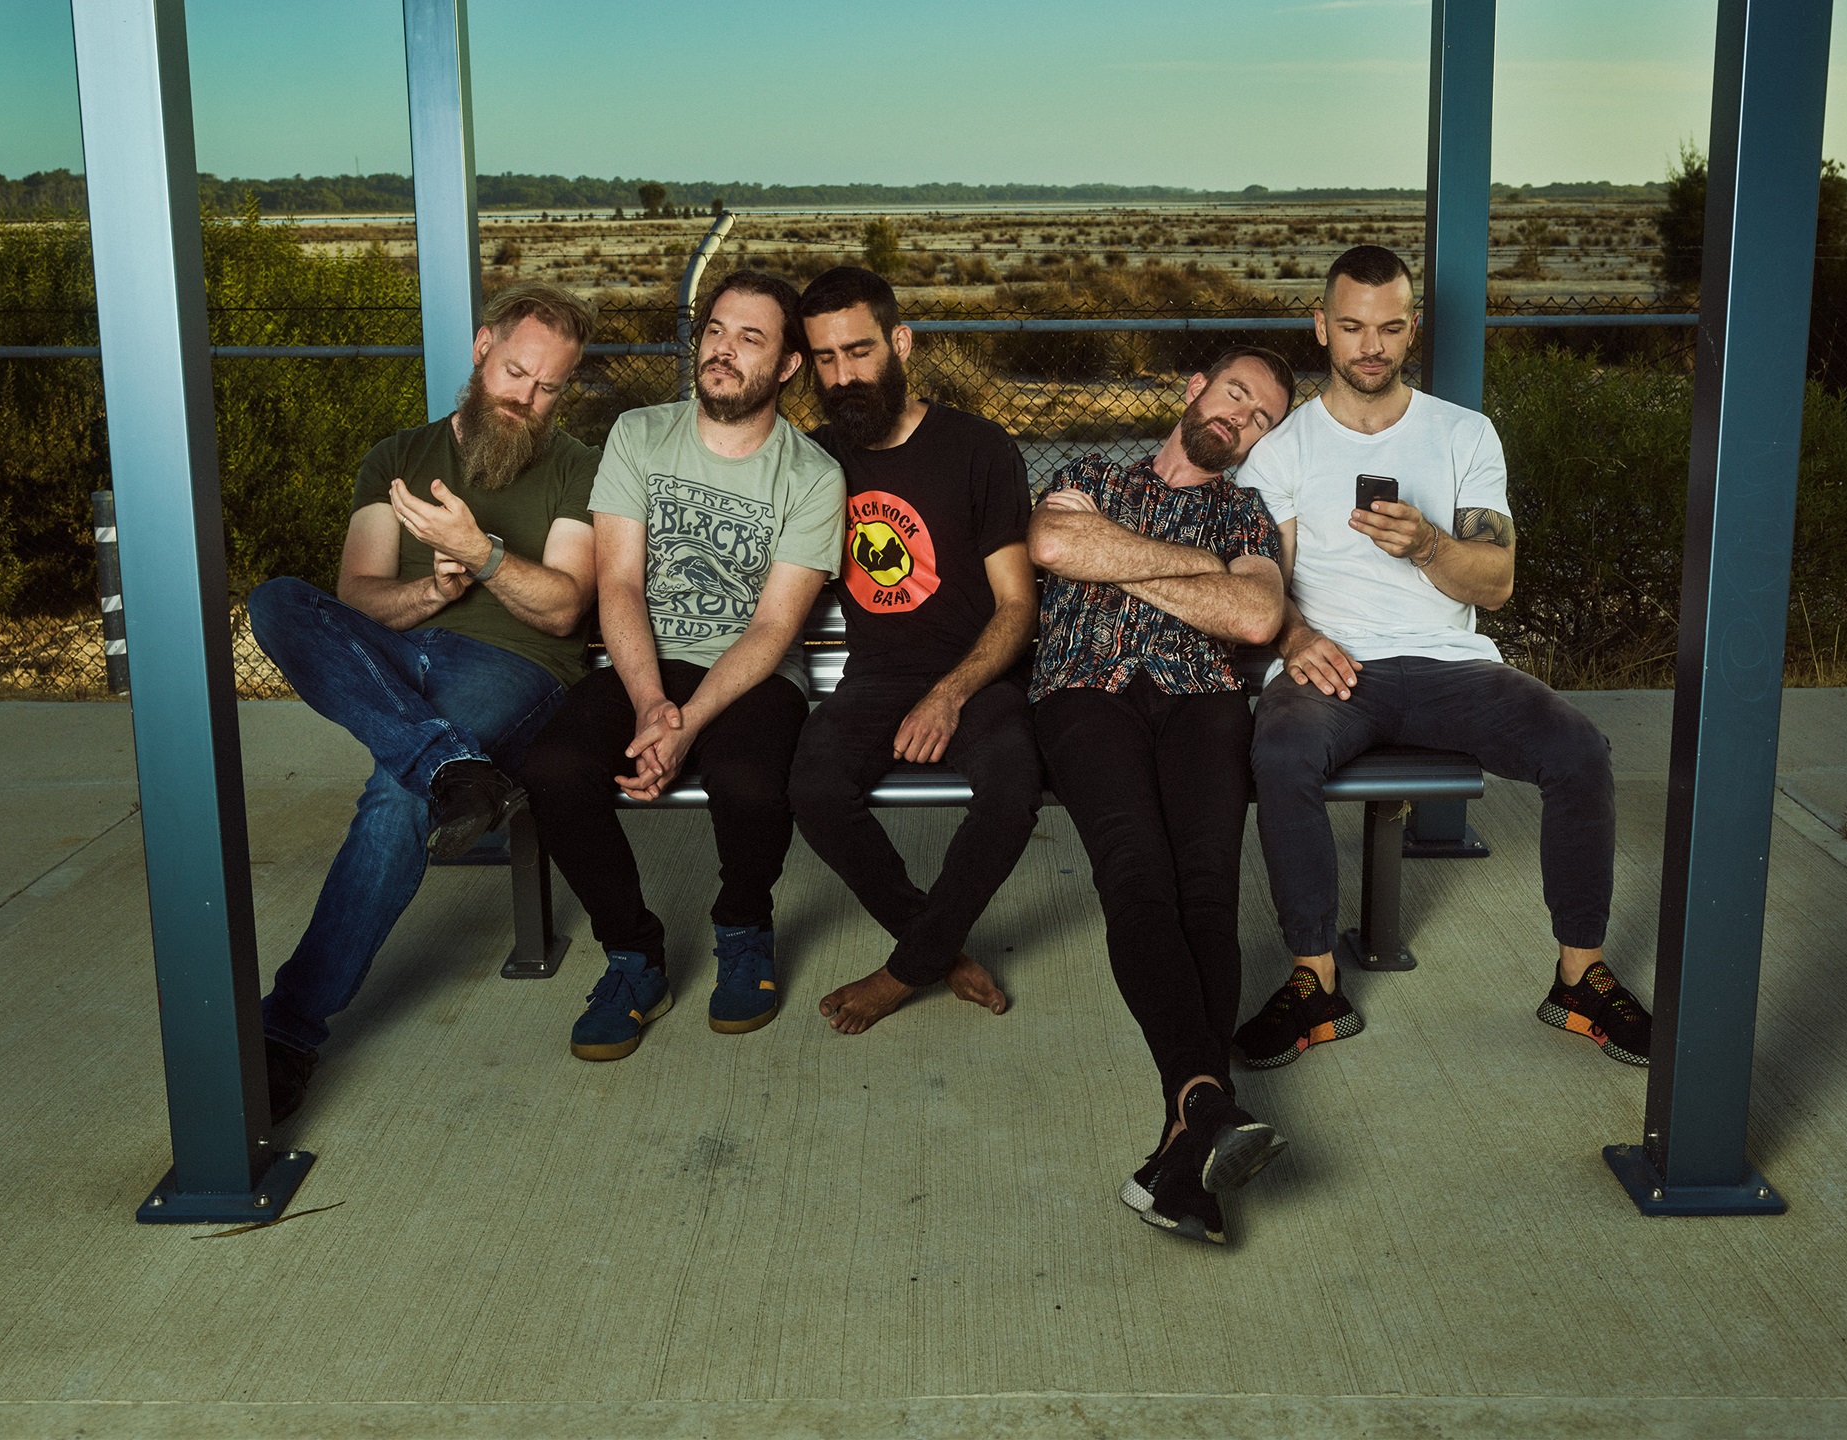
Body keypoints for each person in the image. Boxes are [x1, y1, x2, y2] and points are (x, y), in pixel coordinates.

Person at [1232, 244, 1650, 1074]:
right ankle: (1315, 982)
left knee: (1579, 751)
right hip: (1332, 667)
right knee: (1279, 750)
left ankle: (1579, 978)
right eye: (1351, 326)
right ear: (1321, 328)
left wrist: (1429, 544)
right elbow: (1262, 585)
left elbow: (1495, 585)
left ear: (1412, 327)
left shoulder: (1463, 431)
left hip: (1450, 665)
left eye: (1390, 327)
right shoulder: (1281, 451)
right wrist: (1295, 640)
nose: (1371, 346)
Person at [248, 282, 600, 1122]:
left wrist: (478, 555)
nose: (528, 398)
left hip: (512, 662)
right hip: (400, 650)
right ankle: (451, 763)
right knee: (278, 602)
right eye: (517, 372)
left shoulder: (576, 465)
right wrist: (430, 595)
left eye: (550, 386)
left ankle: (287, 1032)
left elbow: (562, 608)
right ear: (482, 349)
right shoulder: (398, 454)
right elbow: (358, 596)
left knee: (395, 794)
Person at [518, 271, 844, 1061]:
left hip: (752, 677)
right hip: (642, 665)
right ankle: (633, 957)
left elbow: (774, 627)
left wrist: (686, 721)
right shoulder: (639, 434)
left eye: (751, 338)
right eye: (716, 330)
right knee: (555, 768)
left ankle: (742, 927)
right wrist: (647, 702)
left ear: (789, 366)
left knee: (751, 783)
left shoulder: (812, 476)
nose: (724, 350)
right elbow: (620, 583)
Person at [1026, 347, 1295, 1245]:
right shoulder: (1089, 473)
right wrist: (1196, 573)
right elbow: (1058, 545)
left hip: (1202, 704)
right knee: (1137, 874)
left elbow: (1256, 619)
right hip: (1084, 693)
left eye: (1260, 418)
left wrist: (1119, 561)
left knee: (1209, 891)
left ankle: (1193, 1128)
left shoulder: (1246, 512)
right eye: (1234, 395)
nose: (1240, 418)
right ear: (1194, 390)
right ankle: (1204, 1108)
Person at [786, 267, 1043, 1034]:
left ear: (900, 343)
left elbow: (1018, 604)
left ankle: (904, 971)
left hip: (976, 671)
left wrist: (951, 692)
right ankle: (937, 948)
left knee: (1013, 789)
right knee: (813, 789)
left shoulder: (978, 448)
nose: (843, 375)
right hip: (873, 676)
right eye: (825, 359)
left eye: (859, 352)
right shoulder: (813, 459)